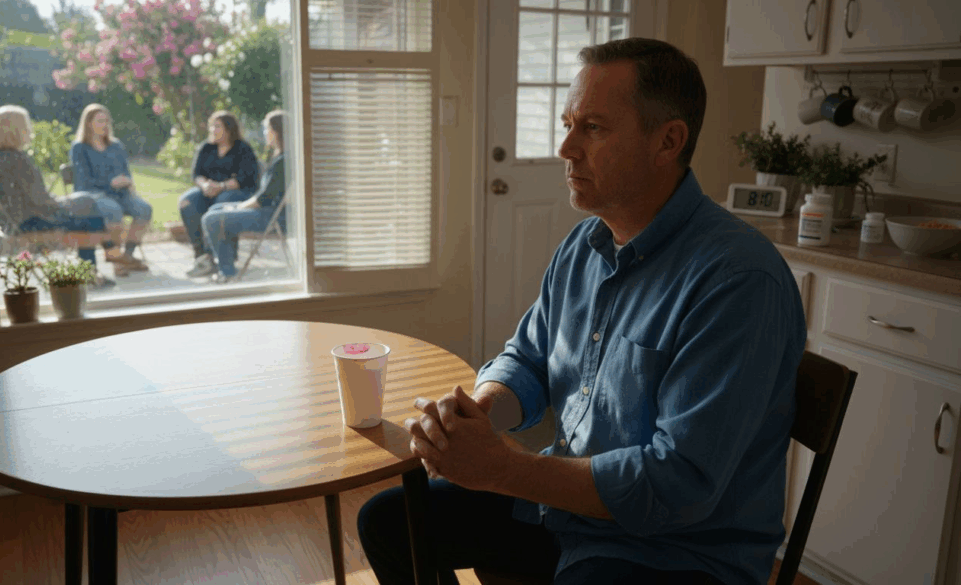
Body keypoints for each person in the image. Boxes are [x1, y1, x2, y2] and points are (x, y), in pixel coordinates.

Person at [357, 38, 807, 585]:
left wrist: (502, 468)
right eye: (568, 123)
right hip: (569, 511)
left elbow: (677, 484)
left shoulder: (738, 281)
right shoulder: (583, 247)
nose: (567, 148)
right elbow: (527, 358)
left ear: (668, 141)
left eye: (592, 128)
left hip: (675, 551)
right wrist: (475, 419)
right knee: (388, 521)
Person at [0, 104, 117, 287]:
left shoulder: (0, 158)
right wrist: (63, 204)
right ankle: (103, 260)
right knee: (89, 216)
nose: (29, 129)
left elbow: (31, 196)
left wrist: (63, 202)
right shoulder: (17, 160)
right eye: (26, 125)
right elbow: (40, 200)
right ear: (16, 129)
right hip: (32, 221)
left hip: (20, 219)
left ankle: (104, 259)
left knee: (86, 202)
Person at [200, 110, 290, 284]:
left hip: (272, 217)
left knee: (211, 219)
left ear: (276, 131)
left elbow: (263, 199)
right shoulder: (280, 157)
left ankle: (227, 272)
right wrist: (233, 207)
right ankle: (226, 265)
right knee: (215, 209)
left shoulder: (282, 162)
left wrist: (237, 207)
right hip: (267, 211)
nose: (265, 133)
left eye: (266, 129)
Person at [69, 103, 153, 277]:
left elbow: (126, 172)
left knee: (144, 209)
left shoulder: (116, 145)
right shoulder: (79, 148)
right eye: (100, 121)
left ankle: (127, 257)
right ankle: (117, 261)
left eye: (107, 121)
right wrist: (110, 183)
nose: (105, 124)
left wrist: (126, 181)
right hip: (94, 195)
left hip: (120, 193)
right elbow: (83, 182)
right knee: (113, 210)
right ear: (88, 123)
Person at [179, 111, 260, 278]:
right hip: (209, 190)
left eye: (217, 126)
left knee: (221, 201)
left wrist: (221, 186)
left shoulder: (243, 149)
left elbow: (246, 178)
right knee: (187, 202)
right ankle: (202, 257)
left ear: (229, 129)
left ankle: (218, 255)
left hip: (237, 192)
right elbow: (196, 174)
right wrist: (205, 185)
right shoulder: (206, 148)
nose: (212, 130)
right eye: (211, 126)